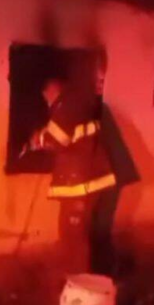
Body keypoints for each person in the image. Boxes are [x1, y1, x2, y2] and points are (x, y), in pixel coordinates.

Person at [30, 73, 115, 276]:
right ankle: (85, 275)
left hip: (81, 185)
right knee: (79, 233)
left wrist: (37, 140)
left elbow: (56, 139)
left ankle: (78, 280)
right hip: (89, 181)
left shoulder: (67, 105)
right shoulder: (75, 104)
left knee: (73, 235)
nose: (46, 101)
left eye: (45, 96)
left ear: (51, 90)